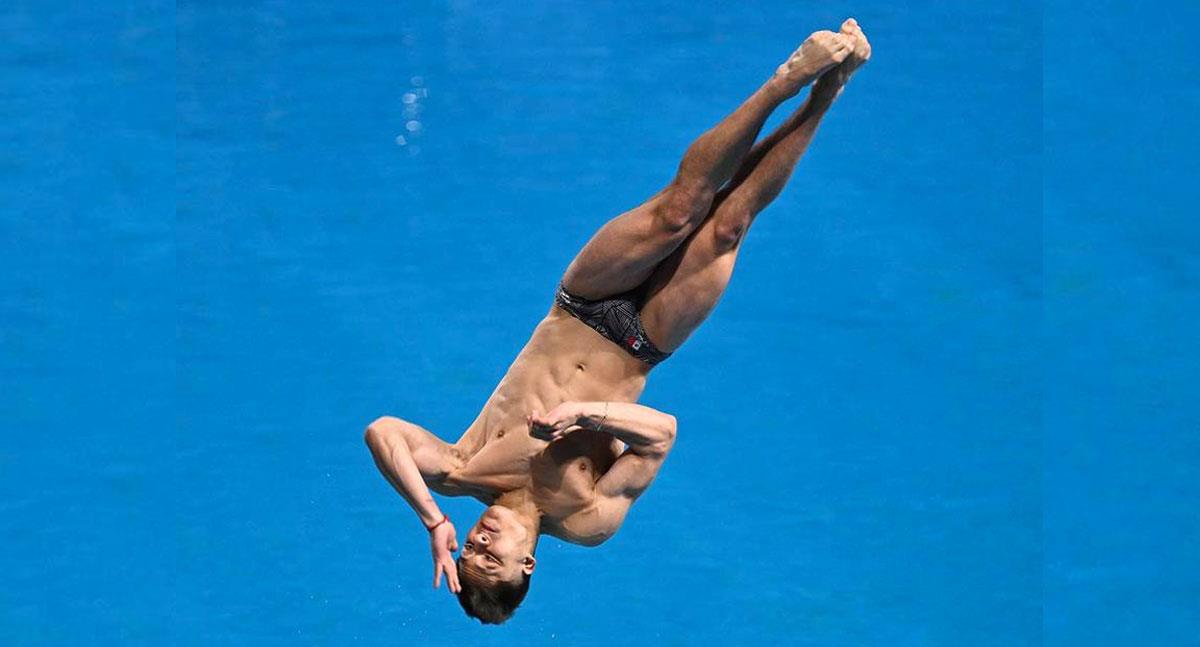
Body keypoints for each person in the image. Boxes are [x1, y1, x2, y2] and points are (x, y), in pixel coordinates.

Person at [365, 19, 871, 624]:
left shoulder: (458, 470)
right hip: (643, 343)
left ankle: (785, 81)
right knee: (730, 224)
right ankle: (827, 93)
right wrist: (583, 415)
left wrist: (432, 518)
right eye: (490, 558)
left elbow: (382, 431)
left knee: (679, 212)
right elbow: (661, 433)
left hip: (582, 303)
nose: (479, 543)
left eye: (470, 549)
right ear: (528, 564)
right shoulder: (585, 519)